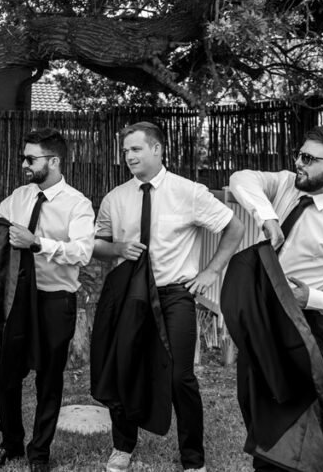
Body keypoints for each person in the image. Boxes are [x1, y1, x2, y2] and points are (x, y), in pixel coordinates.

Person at [227, 125, 323, 471]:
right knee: (256, 406)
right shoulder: (285, 185)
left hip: (303, 326)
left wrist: (311, 297)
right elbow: (241, 178)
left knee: (305, 420)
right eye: (299, 154)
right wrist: (268, 218)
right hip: (261, 319)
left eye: (309, 158)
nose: (298, 162)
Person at [93, 121, 244, 472]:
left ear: (157, 149)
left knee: (180, 377)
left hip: (174, 294)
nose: (129, 156)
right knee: (125, 368)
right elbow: (97, 245)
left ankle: (193, 459)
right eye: (126, 150)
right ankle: (122, 447)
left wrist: (211, 271)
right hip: (130, 295)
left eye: (136, 149)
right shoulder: (115, 198)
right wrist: (117, 248)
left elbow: (234, 228)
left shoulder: (188, 192)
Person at [0, 128, 95, 472]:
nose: (24, 164)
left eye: (30, 159)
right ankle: (10, 444)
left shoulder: (78, 204)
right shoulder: (18, 197)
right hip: (16, 299)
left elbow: (82, 252)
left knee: (49, 378)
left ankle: (39, 452)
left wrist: (37, 243)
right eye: (23, 157)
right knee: (7, 371)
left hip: (56, 300)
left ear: (53, 161)